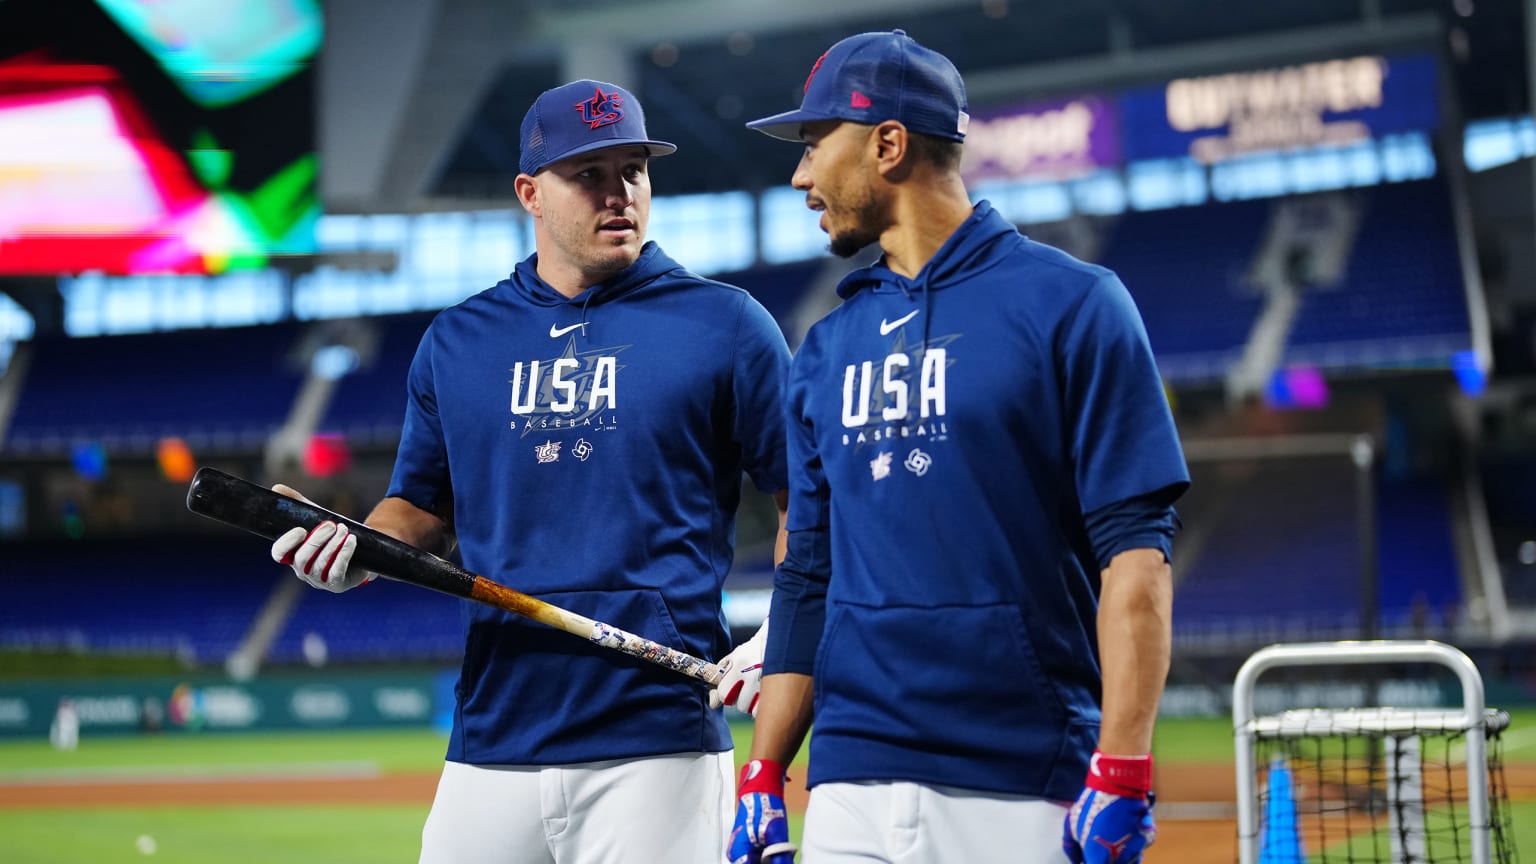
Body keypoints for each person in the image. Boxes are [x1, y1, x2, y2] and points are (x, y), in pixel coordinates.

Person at [269, 79, 789, 864]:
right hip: (491, 739)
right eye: (589, 175)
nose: (619, 194)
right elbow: (419, 510)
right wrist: (352, 552)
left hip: (658, 744)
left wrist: (784, 624)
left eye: (634, 170)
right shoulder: (457, 341)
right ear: (530, 193)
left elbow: (807, 500)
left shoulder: (726, 325)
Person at [729, 31, 1190, 864]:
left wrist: (1121, 768)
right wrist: (762, 774)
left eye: (811, 145)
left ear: (889, 143)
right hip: (850, 782)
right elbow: (807, 578)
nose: (800, 177)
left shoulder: (1075, 305)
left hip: (1021, 779)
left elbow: (1138, 560)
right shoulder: (825, 351)